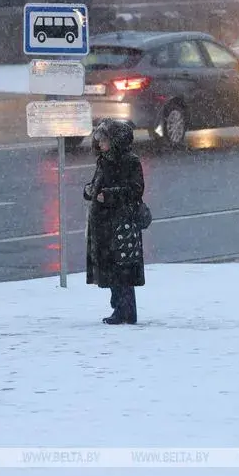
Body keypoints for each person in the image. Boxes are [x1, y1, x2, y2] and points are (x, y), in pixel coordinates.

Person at [83, 119, 146, 325]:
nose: (100, 144)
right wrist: (89, 191)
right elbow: (96, 184)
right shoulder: (104, 160)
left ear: (114, 141)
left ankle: (125, 311)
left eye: (103, 140)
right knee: (111, 269)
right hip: (104, 224)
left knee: (123, 269)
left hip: (121, 224)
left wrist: (108, 196)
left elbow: (135, 190)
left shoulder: (129, 161)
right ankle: (119, 309)